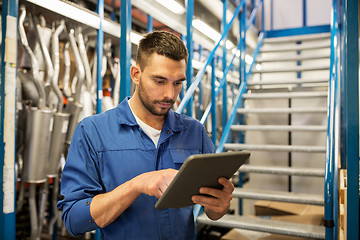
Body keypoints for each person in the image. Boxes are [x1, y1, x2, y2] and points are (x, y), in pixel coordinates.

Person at [58, 31, 234, 239]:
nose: (170, 94)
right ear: (136, 75)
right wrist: (137, 185)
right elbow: (74, 220)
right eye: (160, 81)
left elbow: (213, 211)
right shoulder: (93, 132)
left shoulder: (195, 132)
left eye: (177, 83)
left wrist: (220, 205)